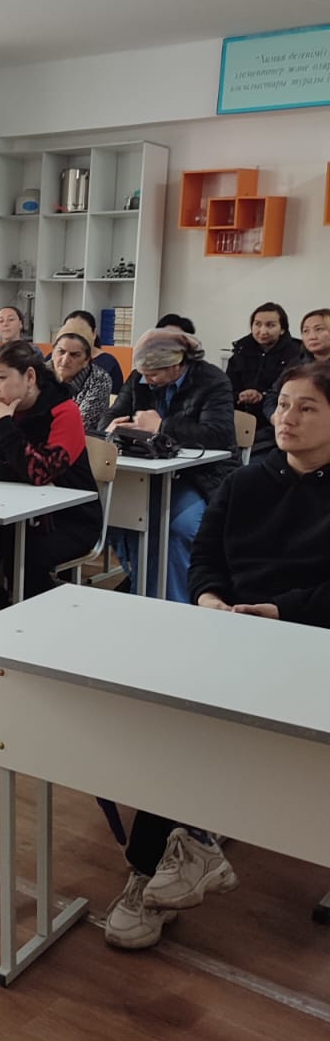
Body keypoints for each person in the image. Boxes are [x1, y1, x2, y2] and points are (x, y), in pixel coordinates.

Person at [104, 361, 330, 951]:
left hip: (312, 640)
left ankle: (169, 857)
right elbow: (205, 555)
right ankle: (181, 851)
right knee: (174, 716)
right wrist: (209, 599)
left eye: (307, 407)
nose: (286, 417)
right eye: (283, 404)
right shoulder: (246, 481)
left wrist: (277, 612)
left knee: (214, 728)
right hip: (232, 629)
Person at [105, 326, 236, 601]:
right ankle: (143, 588)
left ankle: (175, 600)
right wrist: (113, 425)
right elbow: (112, 415)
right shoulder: (139, 377)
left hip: (200, 476)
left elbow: (219, 435)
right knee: (118, 518)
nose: (147, 380)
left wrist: (162, 426)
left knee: (176, 527)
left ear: (177, 365)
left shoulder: (213, 381)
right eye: (143, 373)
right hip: (146, 474)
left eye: (154, 374)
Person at [0, 342, 100, 600]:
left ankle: (52, 613)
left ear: (30, 377)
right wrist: (20, 472)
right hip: (7, 512)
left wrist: (4, 424)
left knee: (24, 561)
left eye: (2, 378)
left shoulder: (64, 411)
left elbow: (40, 472)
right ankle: (4, 615)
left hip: (68, 519)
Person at [225, 302, 301, 451]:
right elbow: (226, 389)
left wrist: (262, 395)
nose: (262, 331)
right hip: (240, 418)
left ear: (282, 329)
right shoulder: (241, 350)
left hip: (274, 423)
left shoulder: (296, 353)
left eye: (270, 325)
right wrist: (240, 395)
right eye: (257, 324)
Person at [261, 307, 330, 432]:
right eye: (306, 331)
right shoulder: (297, 364)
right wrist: (275, 417)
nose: (312, 336)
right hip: (288, 427)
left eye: (319, 329)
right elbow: (273, 395)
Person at [50, 327, 108, 434]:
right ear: (52, 353)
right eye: (61, 352)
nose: (65, 360)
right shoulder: (37, 374)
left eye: (74, 355)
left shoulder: (99, 379)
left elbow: (79, 424)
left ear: (86, 360)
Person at [63, 309, 123, 392]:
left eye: (81, 332)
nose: (75, 338)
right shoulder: (54, 358)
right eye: (69, 333)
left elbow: (115, 397)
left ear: (94, 333)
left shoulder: (109, 363)